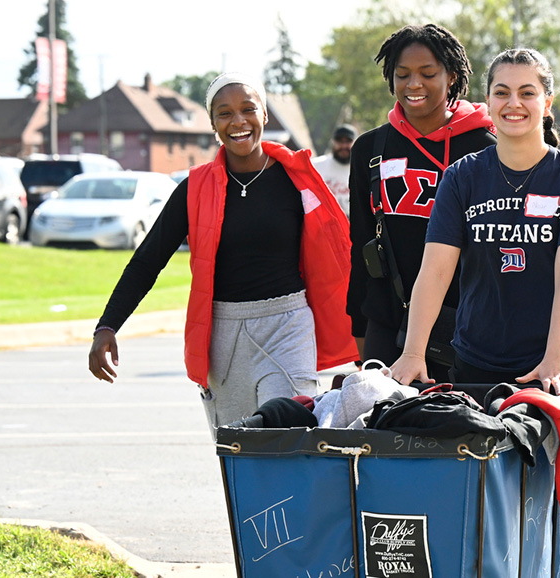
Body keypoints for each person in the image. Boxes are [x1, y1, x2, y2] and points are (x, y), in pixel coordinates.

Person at [88, 72, 358, 438]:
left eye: (248, 109)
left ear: (264, 115)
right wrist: (108, 325)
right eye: (224, 113)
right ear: (213, 123)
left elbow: (340, 259)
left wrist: (364, 333)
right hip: (223, 335)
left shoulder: (298, 179)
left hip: (288, 325)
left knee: (287, 435)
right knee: (237, 450)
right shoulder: (193, 189)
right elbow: (148, 260)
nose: (238, 121)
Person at [390, 48, 560, 395]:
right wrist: (413, 352)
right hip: (479, 356)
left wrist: (554, 356)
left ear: (547, 103)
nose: (513, 103)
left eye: (527, 93)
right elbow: (436, 271)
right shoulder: (461, 177)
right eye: (502, 92)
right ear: (488, 102)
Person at [347, 24, 497, 383]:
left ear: (452, 77)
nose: (413, 84)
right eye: (402, 75)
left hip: (469, 322)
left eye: (427, 73)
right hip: (389, 320)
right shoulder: (369, 150)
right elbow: (360, 242)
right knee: (386, 432)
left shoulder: (487, 149)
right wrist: (360, 325)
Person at [311, 124, 358, 217]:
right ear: (333, 142)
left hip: (352, 223)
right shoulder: (315, 165)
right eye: (340, 141)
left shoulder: (362, 168)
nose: (343, 146)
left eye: (348, 141)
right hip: (323, 220)